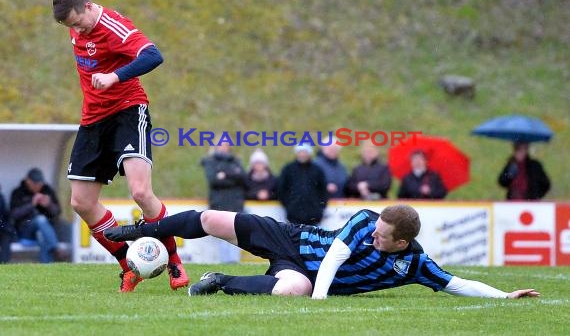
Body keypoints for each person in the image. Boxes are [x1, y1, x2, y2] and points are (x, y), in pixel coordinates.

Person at [104, 204, 540, 300]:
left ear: (401, 244)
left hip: (302, 274)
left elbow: (454, 282)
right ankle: (137, 229)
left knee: (290, 288)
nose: (374, 236)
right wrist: (321, 301)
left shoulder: (413, 264)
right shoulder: (367, 220)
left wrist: (503, 297)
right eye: (377, 229)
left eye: (384, 236)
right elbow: (334, 257)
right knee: (210, 220)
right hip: (291, 240)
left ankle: (219, 283)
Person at [52, 0, 187, 291]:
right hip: (93, 120)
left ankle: (175, 262)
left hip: (127, 111)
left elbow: (153, 55)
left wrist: (115, 77)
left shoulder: (113, 25)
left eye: (78, 22)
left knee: (140, 191)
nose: (76, 30)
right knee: (81, 202)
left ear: (89, 6)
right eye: (70, 27)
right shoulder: (78, 26)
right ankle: (129, 264)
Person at [201, 141, 247, 263]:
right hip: (219, 204)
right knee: (223, 235)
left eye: (226, 145)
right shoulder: (210, 161)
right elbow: (214, 180)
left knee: (236, 234)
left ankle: (234, 262)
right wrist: (233, 177)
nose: (224, 147)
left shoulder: (235, 160)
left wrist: (225, 175)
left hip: (235, 204)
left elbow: (243, 177)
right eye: (221, 145)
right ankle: (225, 262)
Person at [9, 168, 62, 263]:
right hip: (24, 230)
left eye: (40, 184)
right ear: (28, 181)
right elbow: (13, 215)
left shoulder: (47, 190)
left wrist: (49, 205)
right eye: (35, 184)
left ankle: (46, 269)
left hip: (45, 231)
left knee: (41, 235)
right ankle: (55, 248)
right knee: (40, 219)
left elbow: (57, 212)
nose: (38, 187)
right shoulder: (18, 192)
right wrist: (32, 204)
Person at [278, 143, 328, 225]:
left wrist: (319, 208)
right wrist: (289, 206)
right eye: (300, 152)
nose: (302, 155)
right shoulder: (288, 169)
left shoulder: (317, 170)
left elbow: (323, 191)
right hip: (293, 215)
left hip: (314, 215)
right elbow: (281, 190)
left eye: (305, 152)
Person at [0, 186, 15, 263]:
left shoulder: (1, 198)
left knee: (7, 235)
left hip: (2, 229)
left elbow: (6, 215)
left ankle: (3, 264)